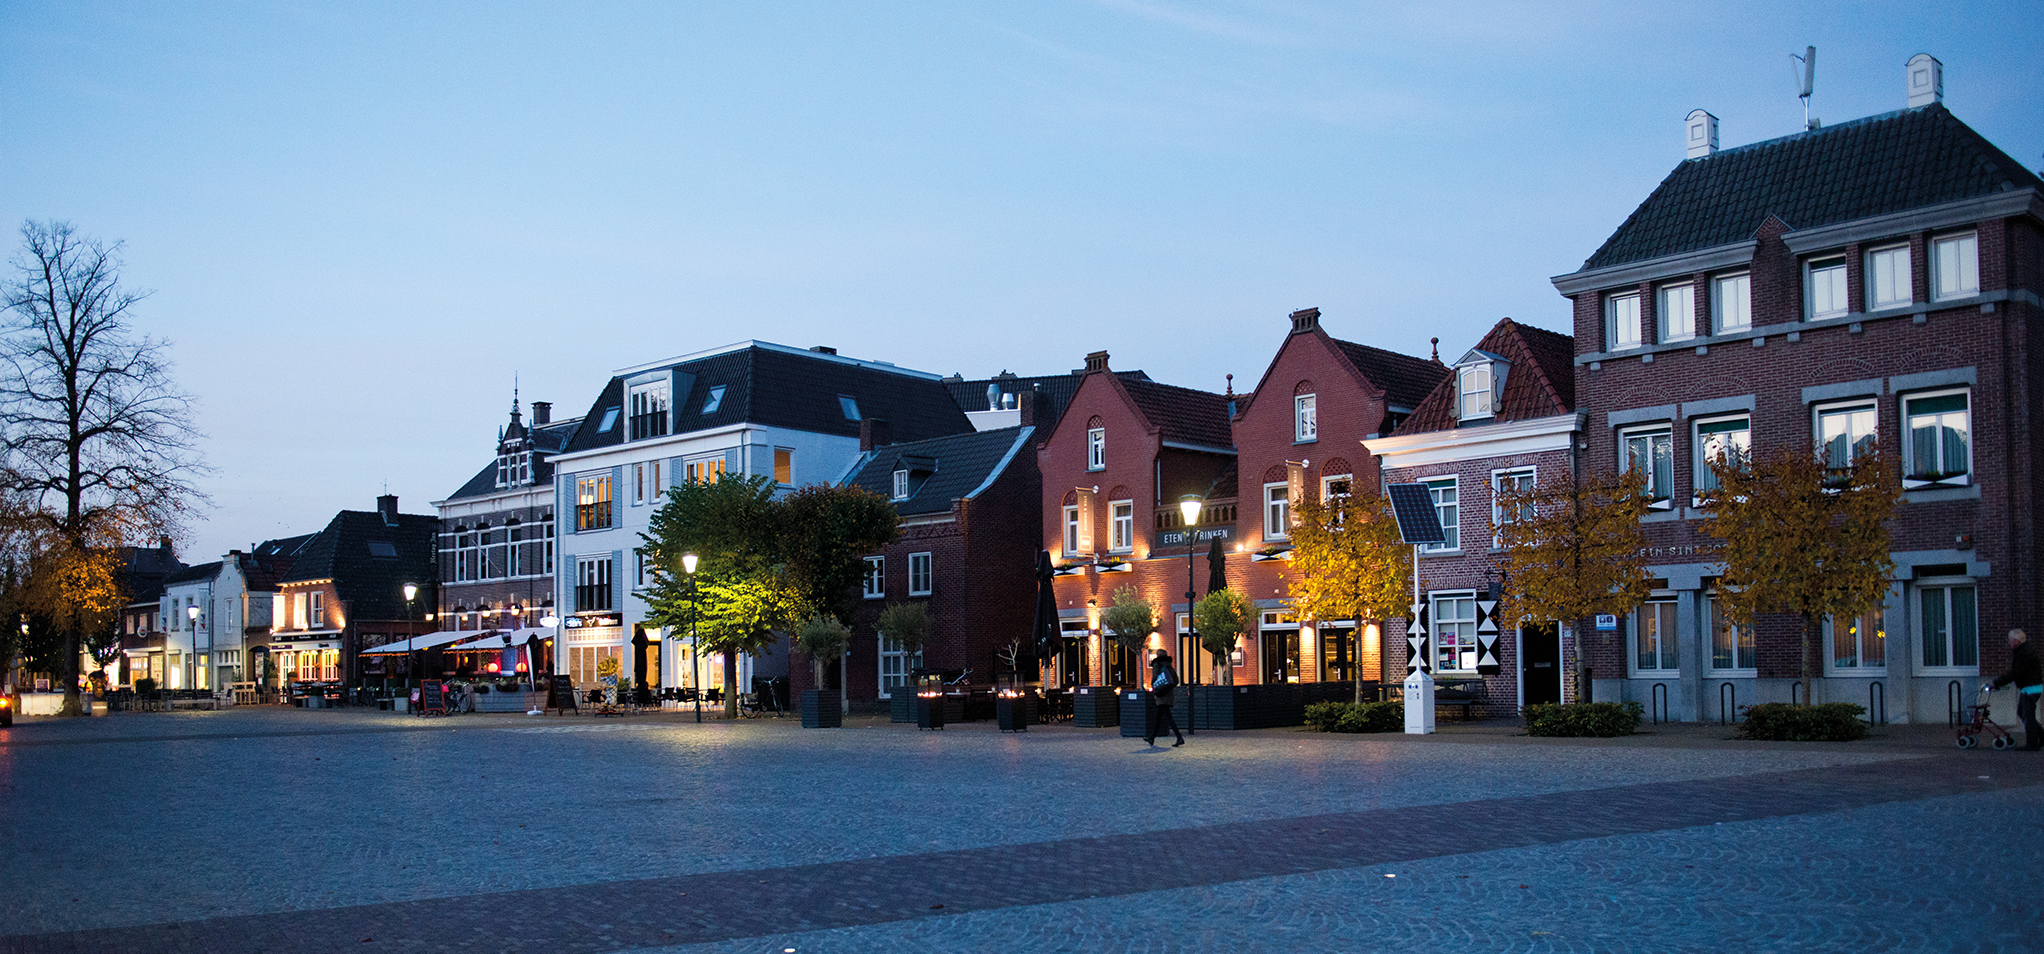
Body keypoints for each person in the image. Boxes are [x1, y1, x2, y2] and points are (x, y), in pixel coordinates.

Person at [1987, 628, 2042, 750]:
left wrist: (1997, 682)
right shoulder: (2024, 651)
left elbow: (2016, 673)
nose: (2009, 643)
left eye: (2010, 640)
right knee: (2024, 713)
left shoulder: (2024, 653)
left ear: (2016, 640)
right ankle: (2041, 736)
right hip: (2031, 687)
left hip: (2030, 688)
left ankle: (2032, 744)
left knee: (2027, 715)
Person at [1145, 651, 1185, 748]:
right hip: (1168, 693)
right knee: (1159, 717)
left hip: (1161, 694)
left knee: (1168, 717)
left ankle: (1179, 737)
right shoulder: (1169, 665)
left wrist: (1154, 688)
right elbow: (1176, 680)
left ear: (1158, 655)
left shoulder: (1157, 664)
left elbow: (1155, 678)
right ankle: (1152, 737)